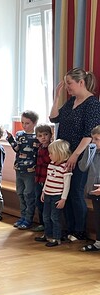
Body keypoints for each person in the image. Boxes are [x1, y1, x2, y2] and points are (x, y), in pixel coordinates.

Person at [50, 68, 100, 241]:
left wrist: (75, 155)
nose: (67, 88)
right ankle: (69, 228)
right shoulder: (71, 101)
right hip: (65, 154)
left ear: (81, 82)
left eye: (69, 83)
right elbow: (53, 118)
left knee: (75, 192)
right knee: (66, 190)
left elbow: (89, 134)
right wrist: (56, 97)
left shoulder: (92, 103)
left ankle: (79, 230)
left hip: (79, 155)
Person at [34, 140, 73, 247]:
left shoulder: (65, 168)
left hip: (57, 196)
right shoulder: (51, 164)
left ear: (59, 153)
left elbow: (67, 185)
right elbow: (48, 179)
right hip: (47, 194)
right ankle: (48, 235)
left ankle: (56, 238)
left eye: (51, 153)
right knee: (46, 216)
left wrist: (63, 199)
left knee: (54, 217)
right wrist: (43, 191)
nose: (49, 155)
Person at [6, 110, 39, 230]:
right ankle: (23, 216)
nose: (24, 125)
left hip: (30, 171)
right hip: (19, 168)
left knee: (28, 194)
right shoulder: (20, 134)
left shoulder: (37, 137)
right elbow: (17, 149)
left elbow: (38, 153)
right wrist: (10, 139)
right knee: (20, 194)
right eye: (23, 122)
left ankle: (28, 219)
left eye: (27, 123)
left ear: (34, 123)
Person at [79, 125, 100, 251]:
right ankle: (98, 242)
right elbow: (82, 167)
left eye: (96, 139)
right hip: (94, 191)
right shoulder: (93, 151)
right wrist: (88, 151)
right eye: (92, 139)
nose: (93, 142)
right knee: (98, 217)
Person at [34, 124, 53, 232]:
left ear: (50, 135)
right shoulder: (40, 147)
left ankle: (48, 225)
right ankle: (42, 223)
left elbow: (47, 162)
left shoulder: (51, 148)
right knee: (39, 202)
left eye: (46, 134)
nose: (43, 137)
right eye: (40, 135)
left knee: (47, 204)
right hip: (38, 179)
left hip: (48, 180)